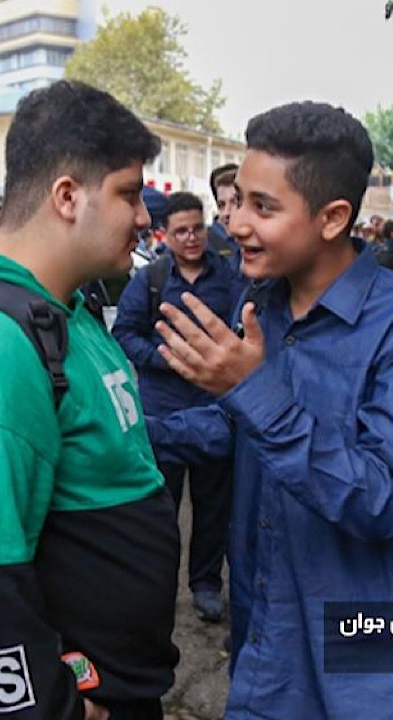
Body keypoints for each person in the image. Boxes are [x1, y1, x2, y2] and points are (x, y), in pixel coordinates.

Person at [147, 101, 393, 720]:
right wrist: (124, 429)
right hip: (268, 651)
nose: (235, 224)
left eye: (263, 208)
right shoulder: (261, 307)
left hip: (370, 673)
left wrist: (251, 389)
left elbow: (382, 497)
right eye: (237, 202)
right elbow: (236, 431)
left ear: (333, 217)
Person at [0, 79, 177, 720]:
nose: (144, 217)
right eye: (128, 193)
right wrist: (55, 707)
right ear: (68, 196)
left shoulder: (65, 312)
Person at [112, 191, 243, 622]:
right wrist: (167, 358)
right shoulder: (149, 280)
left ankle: (206, 584)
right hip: (161, 412)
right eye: (181, 231)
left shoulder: (228, 277)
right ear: (164, 235)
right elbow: (126, 333)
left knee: (213, 507)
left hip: (213, 410)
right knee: (159, 508)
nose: (191, 238)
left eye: (197, 229)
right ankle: (156, 588)